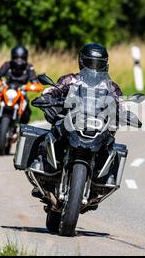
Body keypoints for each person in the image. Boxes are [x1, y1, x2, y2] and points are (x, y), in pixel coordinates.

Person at [30, 43, 125, 199]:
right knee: (55, 130)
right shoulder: (71, 79)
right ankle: (43, 166)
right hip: (73, 121)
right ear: (82, 62)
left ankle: (103, 178)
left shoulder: (111, 86)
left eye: (98, 63)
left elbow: (120, 103)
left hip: (97, 125)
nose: (94, 67)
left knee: (110, 144)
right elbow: (56, 88)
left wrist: (125, 113)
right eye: (90, 63)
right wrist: (47, 95)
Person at [0, 45, 38, 131]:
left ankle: (23, 129)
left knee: (27, 110)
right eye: (16, 58)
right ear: (12, 57)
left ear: (25, 58)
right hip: (7, 88)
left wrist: (35, 83)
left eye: (21, 58)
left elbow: (34, 79)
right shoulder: (7, 64)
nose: (19, 61)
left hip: (21, 90)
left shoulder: (29, 67)